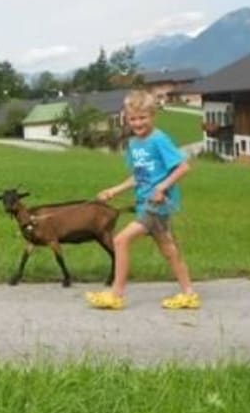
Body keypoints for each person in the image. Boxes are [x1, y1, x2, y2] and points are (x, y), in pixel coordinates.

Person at [85, 90, 199, 310]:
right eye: (133, 118)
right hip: (144, 203)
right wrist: (114, 190)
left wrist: (162, 187)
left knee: (120, 240)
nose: (138, 123)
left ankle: (116, 294)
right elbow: (139, 175)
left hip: (157, 204)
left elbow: (183, 167)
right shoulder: (134, 144)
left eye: (142, 117)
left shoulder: (159, 140)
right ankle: (189, 293)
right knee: (169, 250)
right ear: (127, 119)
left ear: (152, 116)